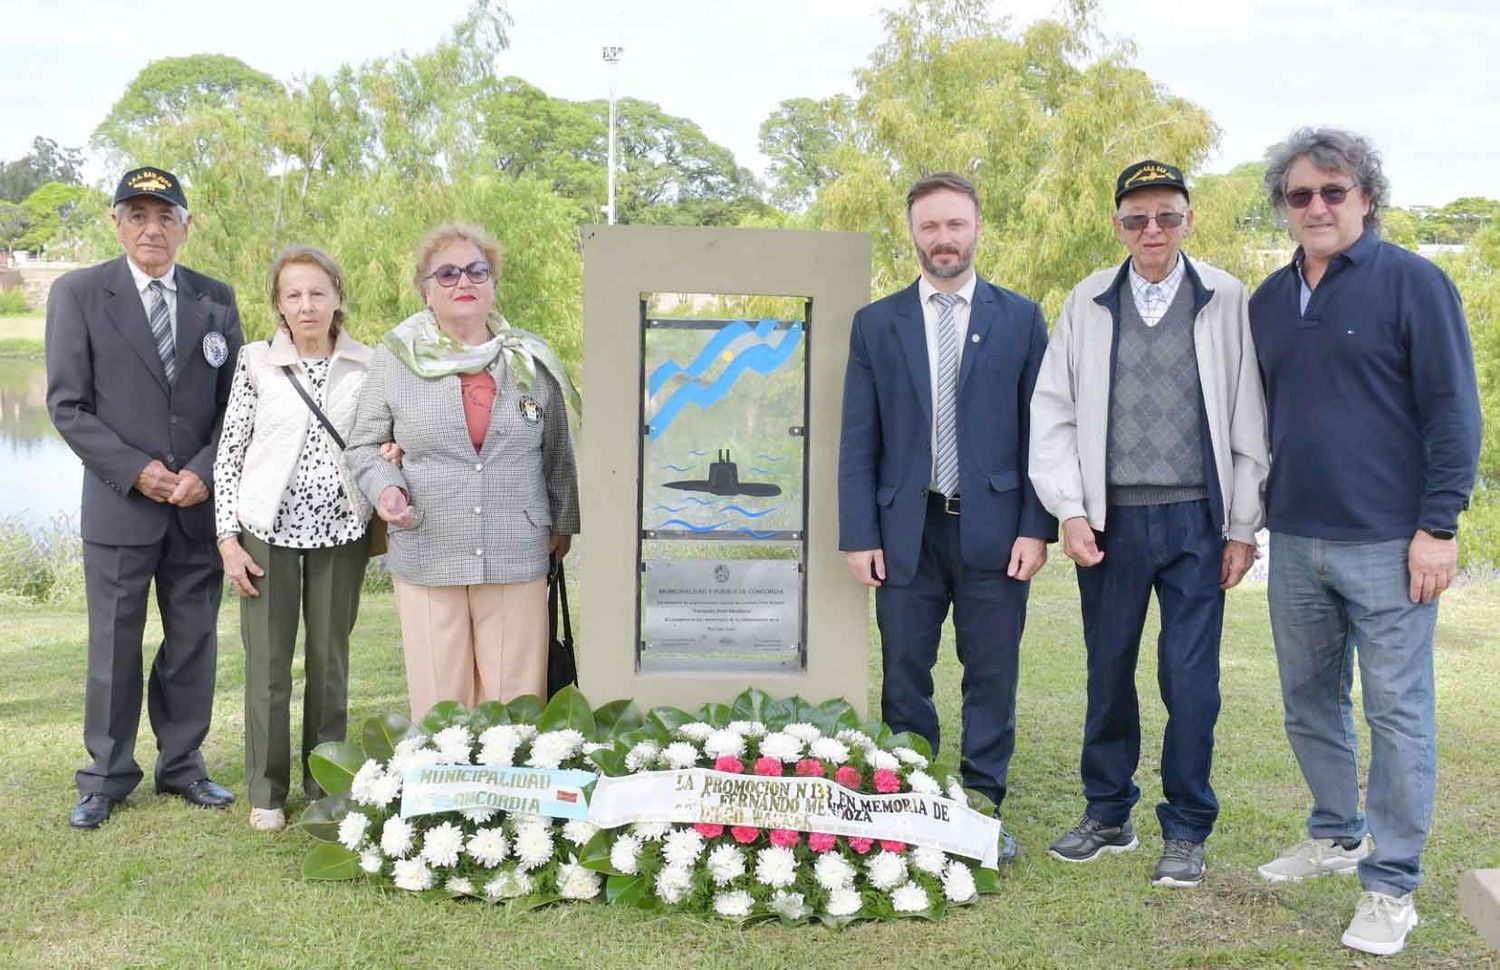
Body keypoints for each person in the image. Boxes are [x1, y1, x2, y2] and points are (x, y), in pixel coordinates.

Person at [1250, 128, 1481, 956]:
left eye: (1333, 191)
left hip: (1392, 544)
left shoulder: (1415, 284)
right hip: (1297, 539)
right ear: (1284, 205)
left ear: (1366, 197)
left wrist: (1439, 527)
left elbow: (1455, 413)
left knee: (1397, 713)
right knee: (1309, 702)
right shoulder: (1268, 301)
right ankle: (1336, 833)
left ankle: (1390, 885)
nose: (1317, 206)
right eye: (1300, 195)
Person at [1028, 160, 1270, 888]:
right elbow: (1054, 412)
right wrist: (1070, 509)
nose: (1152, 230)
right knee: (1109, 673)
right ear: (1119, 227)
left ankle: (1188, 826)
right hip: (1112, 523)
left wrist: (1242, 526)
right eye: (1136, 219)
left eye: (1167, 216)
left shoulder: (1226, 297)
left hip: (1199, 519)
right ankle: (1108, 812)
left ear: (1188, 220)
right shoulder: (1089, 300)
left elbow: (1250, 415)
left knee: (1190, 681)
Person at [837, 172, 1055, 858]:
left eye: (954, 224)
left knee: (992, 673)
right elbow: (858, 438)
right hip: (907, 529)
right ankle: (913, 799)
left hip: (995, 530)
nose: (943, 239)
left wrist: (1035, 526)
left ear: (977, 228)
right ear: (913, 234)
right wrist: (859, 534)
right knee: (906, 670)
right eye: (929, 226)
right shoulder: (877, 324)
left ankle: (983, 805)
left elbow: (1041, 433)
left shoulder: (1021, 319)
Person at [46, 167, 244, 829]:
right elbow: (68, 407)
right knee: (113, 645)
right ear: (117, 223)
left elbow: (235, 408)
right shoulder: (78, 294)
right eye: (138, 215)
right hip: (120, 506)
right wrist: (137, 472)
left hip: (196, 507)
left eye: (166, 217)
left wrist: (204, 471)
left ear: (187, 226)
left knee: (193, 643)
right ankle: (105, 778)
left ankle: (184, 765)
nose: (152, 229)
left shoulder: (216, 299)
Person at [346, 224, 579, 719]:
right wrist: (387, 490)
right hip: (428, 545)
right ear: (426, 291)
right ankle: (447, 793)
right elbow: (363, 444)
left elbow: (558, 450)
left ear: (493, 283)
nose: (463, 281)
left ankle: (512, 794)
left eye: (477, 270)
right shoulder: (394, 357)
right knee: (440, 702)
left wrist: (564, 523)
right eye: (447, 273)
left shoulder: (530, 359)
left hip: (517, 546)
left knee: (516, 700)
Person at [213, 245, 387, 831]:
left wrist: (394, 452)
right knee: (267, 666)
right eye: (293, 295)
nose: (306, 305)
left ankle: (324, 783)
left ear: (338, 296)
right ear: (279, 305)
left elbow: (387, 435)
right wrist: (227, 538)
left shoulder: (371, 363)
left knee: (328, 661)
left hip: (342, 531)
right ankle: (266, 790)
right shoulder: (255, 361)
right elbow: (230, 450)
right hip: (267, 534)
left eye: (317, 292)